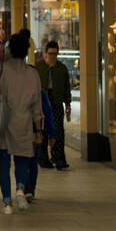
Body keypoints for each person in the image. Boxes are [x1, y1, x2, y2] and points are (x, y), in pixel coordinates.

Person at [0, 33, 51, 214]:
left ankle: (6, 203)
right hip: (25, 122)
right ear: (27, 51)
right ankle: (20, 187)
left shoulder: (0, 71)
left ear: (9, 50)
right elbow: (37, 106)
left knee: (4, 162)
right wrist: (39, 130)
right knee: (22, 160)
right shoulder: (33, 74)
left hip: (4, 123)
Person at [36, 40, 72, 171]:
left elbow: (66, 87)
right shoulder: (39, 68)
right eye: (50, 54)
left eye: (55, 54)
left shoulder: (61, 68)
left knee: (58, 131)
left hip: (56, 101)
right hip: (42, 101)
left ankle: (59, 158)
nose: (53, 57)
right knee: (44, 130)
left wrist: (67, 104)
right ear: (45, 54)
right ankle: (43, 158)